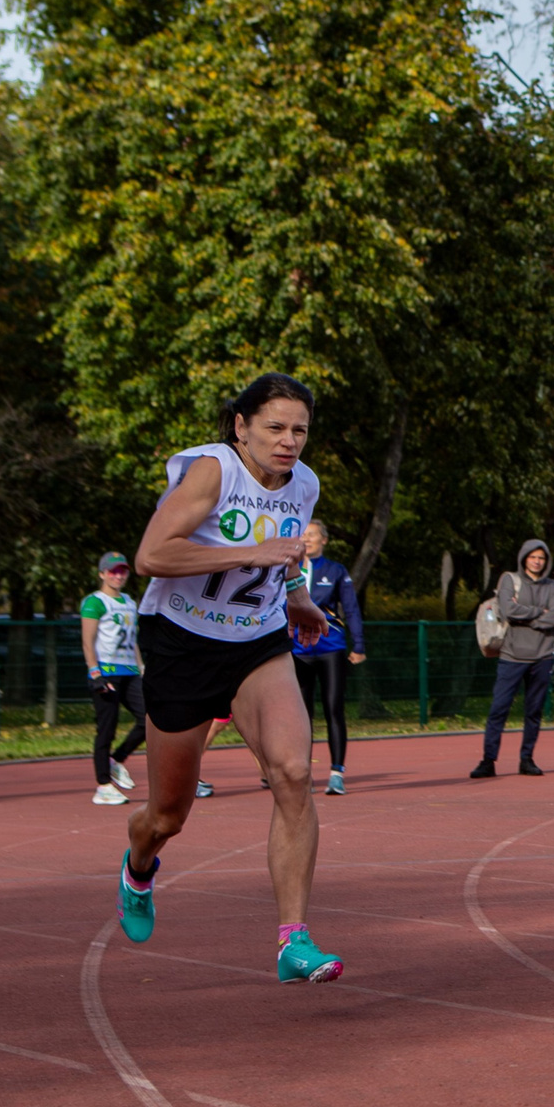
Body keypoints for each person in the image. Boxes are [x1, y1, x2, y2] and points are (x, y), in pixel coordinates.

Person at [114, 373, 343, 984]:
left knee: (293, 773)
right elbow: (151, 556)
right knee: (168, 816)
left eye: (300, 430)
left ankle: (293, 941)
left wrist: (296, 595)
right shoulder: (213, 471)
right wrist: (250, 553)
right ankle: (138, 866)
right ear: (242, 427)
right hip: (181, 643)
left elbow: (284, 555)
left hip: (257, 643)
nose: (289, 441)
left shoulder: (304, 484)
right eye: (275, 427)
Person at [472, 541, 554, 779]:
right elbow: (508, 611)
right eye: (533, 557)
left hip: (542, 656)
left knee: (534, 711)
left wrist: (526, 616)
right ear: (524, 558)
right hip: (512, 656)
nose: (537, 561)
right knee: (498, 709)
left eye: (541, 558)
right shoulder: (510, 580)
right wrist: (538, 613)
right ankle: (488, 761)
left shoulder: (552, 586)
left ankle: (527, 759)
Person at [290, 521, 365, 795]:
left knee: (334, 708)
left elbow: (351, 609)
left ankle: (336, 774)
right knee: (301, 715)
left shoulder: (336, 570)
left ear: (324, 540)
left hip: (330, 648)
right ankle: (304, 774)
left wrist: (359, 644)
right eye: (303, 535)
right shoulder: (287, 569)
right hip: (297, 650)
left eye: (312, 535)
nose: (307, 539)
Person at [82, 553, 147, 806]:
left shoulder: (129, 602)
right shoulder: (95, 602)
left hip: (130, 671)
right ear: (102, 574)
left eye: (122, 571)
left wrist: (141, 668)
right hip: (106, 672)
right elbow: (88, 642)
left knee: (149, 718)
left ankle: (117, 759)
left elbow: (133, 640)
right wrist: (95, 673)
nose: (118, 576)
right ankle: (103, 785)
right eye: (112, 571)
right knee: (106, 728)